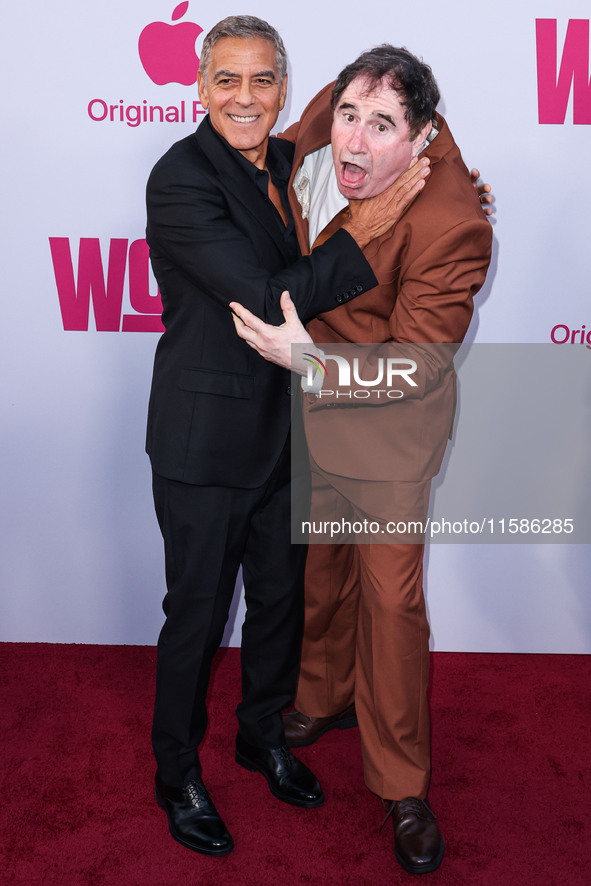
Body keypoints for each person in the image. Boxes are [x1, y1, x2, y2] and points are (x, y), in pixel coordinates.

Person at [144, 17, 429, 857]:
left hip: (289, 433)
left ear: (281, 87)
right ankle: (176, 773)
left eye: (262, 80)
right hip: (204, 439)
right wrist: (367, 232)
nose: (244, 97)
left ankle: (259, 734)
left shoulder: (284, 162)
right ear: (199, 87)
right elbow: (269, 298)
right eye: (226, 80)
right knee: (195, 616)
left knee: (278, 606)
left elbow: (383, 159)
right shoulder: (179, 178)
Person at [231, 45, 493, 874]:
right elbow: (282, 142)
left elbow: (417, 369)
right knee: (320, 571)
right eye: (350, 115)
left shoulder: (455, 223)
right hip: (313, 404)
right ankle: (320, 698)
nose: (354, 140)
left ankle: (402, 783)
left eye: (382, 127)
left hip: (388, 424)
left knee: (388, 600)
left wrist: (305, 360)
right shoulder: (326, 121)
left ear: (420, 140)